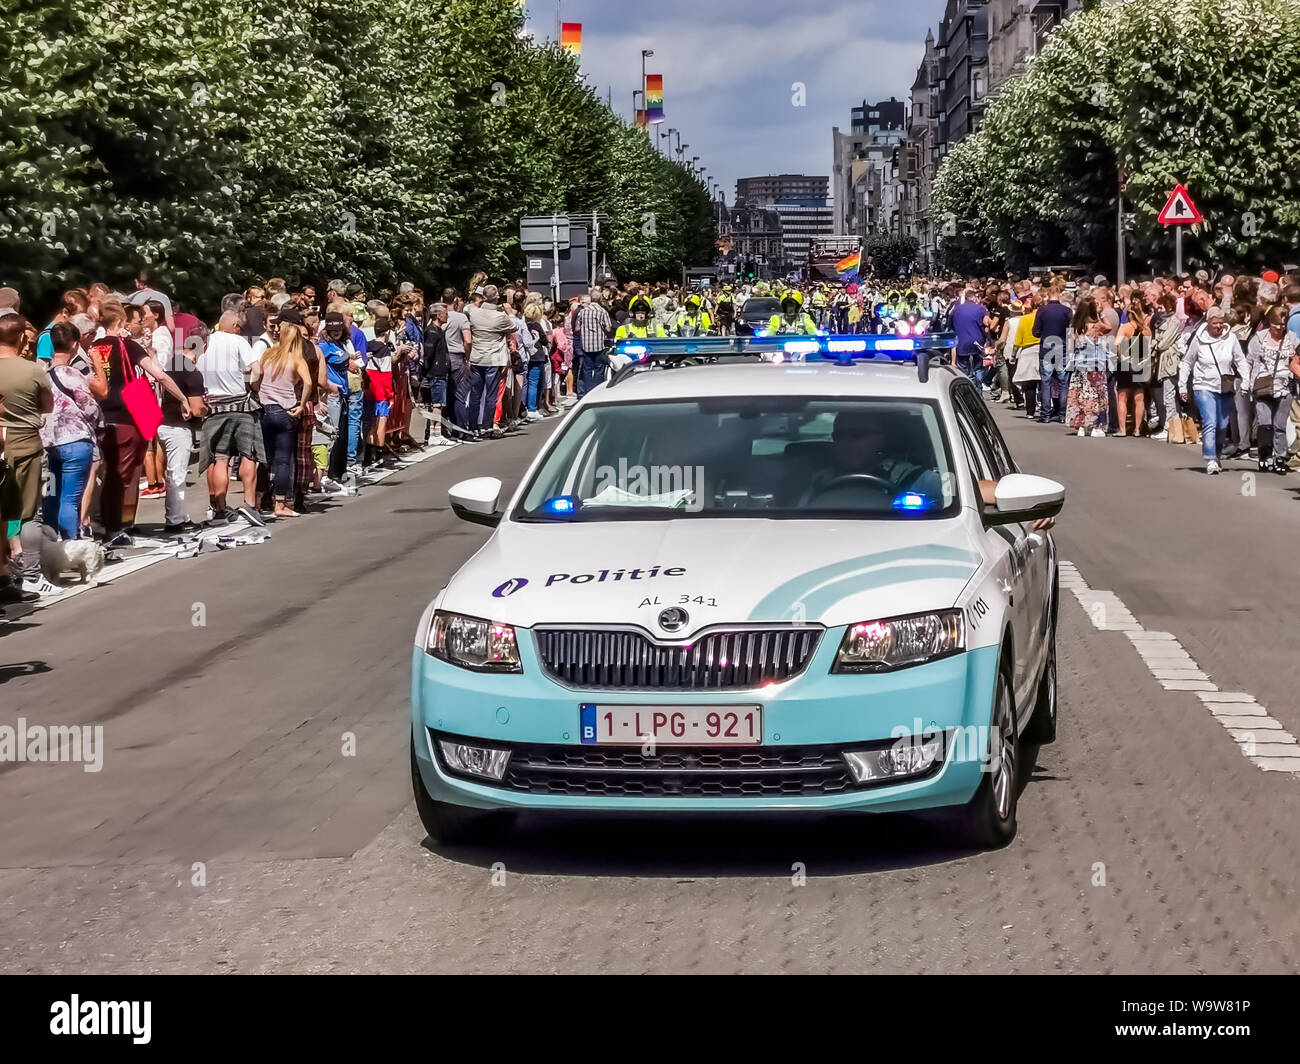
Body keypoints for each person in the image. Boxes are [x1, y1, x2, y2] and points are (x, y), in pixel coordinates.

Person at [0, 315, 53, 593]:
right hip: (26, 443)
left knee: (2, 514)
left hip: (1, 445)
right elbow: (47, 406)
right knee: (30, 513)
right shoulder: (32, 371)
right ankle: (32, 574)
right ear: (21, 337)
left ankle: (5, 572)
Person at [195, 310, 264, 525]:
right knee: (248, 453)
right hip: (240, 404)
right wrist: (253, 386)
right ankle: (250, 505)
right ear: (235, 325)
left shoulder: (203, 342)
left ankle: (219, 509)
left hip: (213, 405)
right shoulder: (237, 341)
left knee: (219, 458)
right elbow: (257, 369)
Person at [39, 322, 103, 542]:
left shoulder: (42, 376)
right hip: (76, 443)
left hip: (49, 444)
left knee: (51, 496)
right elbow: (90, 407)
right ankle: (70, 546)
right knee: (70, 498)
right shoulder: (73, 375)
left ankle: (48, 546)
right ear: (75, 344)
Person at [250, 317, 313, 516]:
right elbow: (309, 383)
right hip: (285, 411)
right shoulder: (296, 359)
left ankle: (257, 501)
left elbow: (255, 377)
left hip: (265, 410)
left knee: (264, 458)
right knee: (283, 459)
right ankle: (280, 504)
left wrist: (260, 391)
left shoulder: (268, 354)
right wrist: (302, 405)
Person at [1179, 306, 1238, 475]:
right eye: (1215, 324)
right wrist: (1182, 386)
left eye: (1221, 323)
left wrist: (1246, 382)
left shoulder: (1231, 338)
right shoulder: (1199, 339)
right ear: (1208, 323)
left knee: (1222, 424)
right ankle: (1210, 458)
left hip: (1225, 386)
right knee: (1210, 421)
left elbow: (1240, 361)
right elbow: (1187, 363)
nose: (1219, 327)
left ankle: (1217, 454)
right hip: (1203, 385)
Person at [1244, 305, 1298, 474]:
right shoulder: (1259, 338)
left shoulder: (1292, 339)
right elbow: (1249, 362)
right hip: (1262, 385)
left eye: (1283, 324)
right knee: (1265, 423)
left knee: (1279, 425)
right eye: (1276, 324)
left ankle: (1279, 458)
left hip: (1284, 387)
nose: (1280, 328)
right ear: (1270, 323)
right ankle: (1264, 456)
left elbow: (1297, 360)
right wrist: (1247, 383)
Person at [466, 285, 516, 434]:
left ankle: (473, 426)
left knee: (475, 394)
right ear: (496, 298)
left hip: (477, 357)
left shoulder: (473, 313)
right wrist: (510, 313)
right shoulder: (500, 317)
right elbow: (514, 327)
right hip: (494, 358)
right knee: (491, 394)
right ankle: (487, 426)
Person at [1065, 297, 1112, 438]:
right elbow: (1109, 327)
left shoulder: (1074, 326)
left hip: (1079, 365)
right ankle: (1095, 426)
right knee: (1096, 395)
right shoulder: (1096, 325)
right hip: (1095, 365)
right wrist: (1100, 314)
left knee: (1079, 394)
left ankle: (1081, 426)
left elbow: (1070, 348)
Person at [1033, 279, 1072, 423]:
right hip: (1061, 348)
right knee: (1063, 382)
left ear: (1048, 295)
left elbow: (1036, 331)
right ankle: (1062, 414)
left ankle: (1045, 414)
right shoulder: (1067, 311)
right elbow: (1070, 332)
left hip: (1046, 348)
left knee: (1046, 382)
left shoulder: (1042, 310)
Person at [1113, 294, 1153, 437]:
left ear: (1130, 314)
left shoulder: (1125, 327)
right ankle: (1137, 429)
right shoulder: (1146, 330)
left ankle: (1123, 429)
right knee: (1139, 397)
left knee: (1122, 396)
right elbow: (1148, 349)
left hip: (1126, 364)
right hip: (1141, 363)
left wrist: (1122, 356)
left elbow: (1117, 344)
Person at [573, 289, 613, 398]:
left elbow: (577, 328)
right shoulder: (602, 311)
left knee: (587, 369)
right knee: (599, 369)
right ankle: (597, 391)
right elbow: (609, 328)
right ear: (600, 299)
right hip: (599, 344)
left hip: (586, 345)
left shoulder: (583, 311)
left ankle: (587, 392)